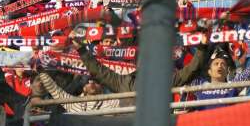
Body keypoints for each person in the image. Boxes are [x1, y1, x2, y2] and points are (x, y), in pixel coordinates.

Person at [68, 31, 205, 93]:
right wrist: (81, 50)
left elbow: (191, 70)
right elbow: (98, 71)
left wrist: (202, 47)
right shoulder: (123, 82)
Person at [188, 45, 250, 110]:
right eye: (216, 64)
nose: (220, 66)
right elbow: (186, 71)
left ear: (227, 71)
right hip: (205, 121)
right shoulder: (200, 84)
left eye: (223, 64)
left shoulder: (233, 85)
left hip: (226, 121)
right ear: (209, 71)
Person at [36, 74, 119, 113]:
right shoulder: (74, 103)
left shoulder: (113, 102)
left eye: (96, 81)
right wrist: (41, 72)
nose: (92, 83)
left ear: (101, 86)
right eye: (88, 81)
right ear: (83, 87)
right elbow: (54, 90)